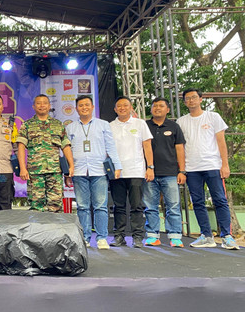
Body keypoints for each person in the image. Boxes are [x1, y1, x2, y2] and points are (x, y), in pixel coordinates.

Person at [177, 88, 239, 249]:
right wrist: (182, 170)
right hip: (192, 168)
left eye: (194, 97)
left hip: (212, 165)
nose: (191, 100)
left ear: (201, 99)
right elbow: (180, 148)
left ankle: (226, 236)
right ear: (184, 102)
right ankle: (206, 235)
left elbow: (221, 142)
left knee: (220, 200)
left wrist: (225, 164)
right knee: (197, 202)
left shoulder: (213, 117)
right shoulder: (181, 121)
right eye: (187, 99)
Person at [65, 95, 121, 249]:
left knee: (100, 206)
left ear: (92, 107)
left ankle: (102, 238)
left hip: (99, 170)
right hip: (79, 171)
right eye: (81, 105)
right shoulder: (70, 128)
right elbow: (65, 151)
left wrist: (117, 166)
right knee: (82, 206)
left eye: (87, 105)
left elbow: (110, 147)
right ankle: (85, 238)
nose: (84, 108)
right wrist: (67, 172)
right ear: (76, 109)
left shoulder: (103, 125)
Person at [109, 96, 154, 248]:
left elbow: (147, 146)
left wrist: (150, 167)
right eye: (119, 106)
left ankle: (138, 237)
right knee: (118, 206)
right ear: (115, 109)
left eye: (125, 105)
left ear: (131, 107)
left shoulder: (140, 124)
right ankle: (119, 236)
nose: (122, 108)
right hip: (117, 172)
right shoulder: (110, 126)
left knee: (137, 206)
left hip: (136, 170)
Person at [17, 94, 74, 212]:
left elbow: (65, 146)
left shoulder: (58, 124)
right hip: (35, 172)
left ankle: (55, 230)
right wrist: (23, 168)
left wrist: (71, 165)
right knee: (37, 206)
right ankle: (39, 230)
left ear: (49, 106)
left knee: (56, 205)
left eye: (44, 103)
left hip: (55, 172)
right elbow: (21, 147)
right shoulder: (27, 125)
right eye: (38, 103)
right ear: (33, 106)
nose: (41, 105)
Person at [143, 97, 186, 247]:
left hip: (170, 173)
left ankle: (175, 236)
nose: (157, 108)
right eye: (155, 106)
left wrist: (182, 171)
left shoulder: (174, 126)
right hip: (149, 173)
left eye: (161, 106)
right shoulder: (145, 125)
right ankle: (153, 235)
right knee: (150, 205)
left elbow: (180, 149)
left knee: (173, 205)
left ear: (167, 109)